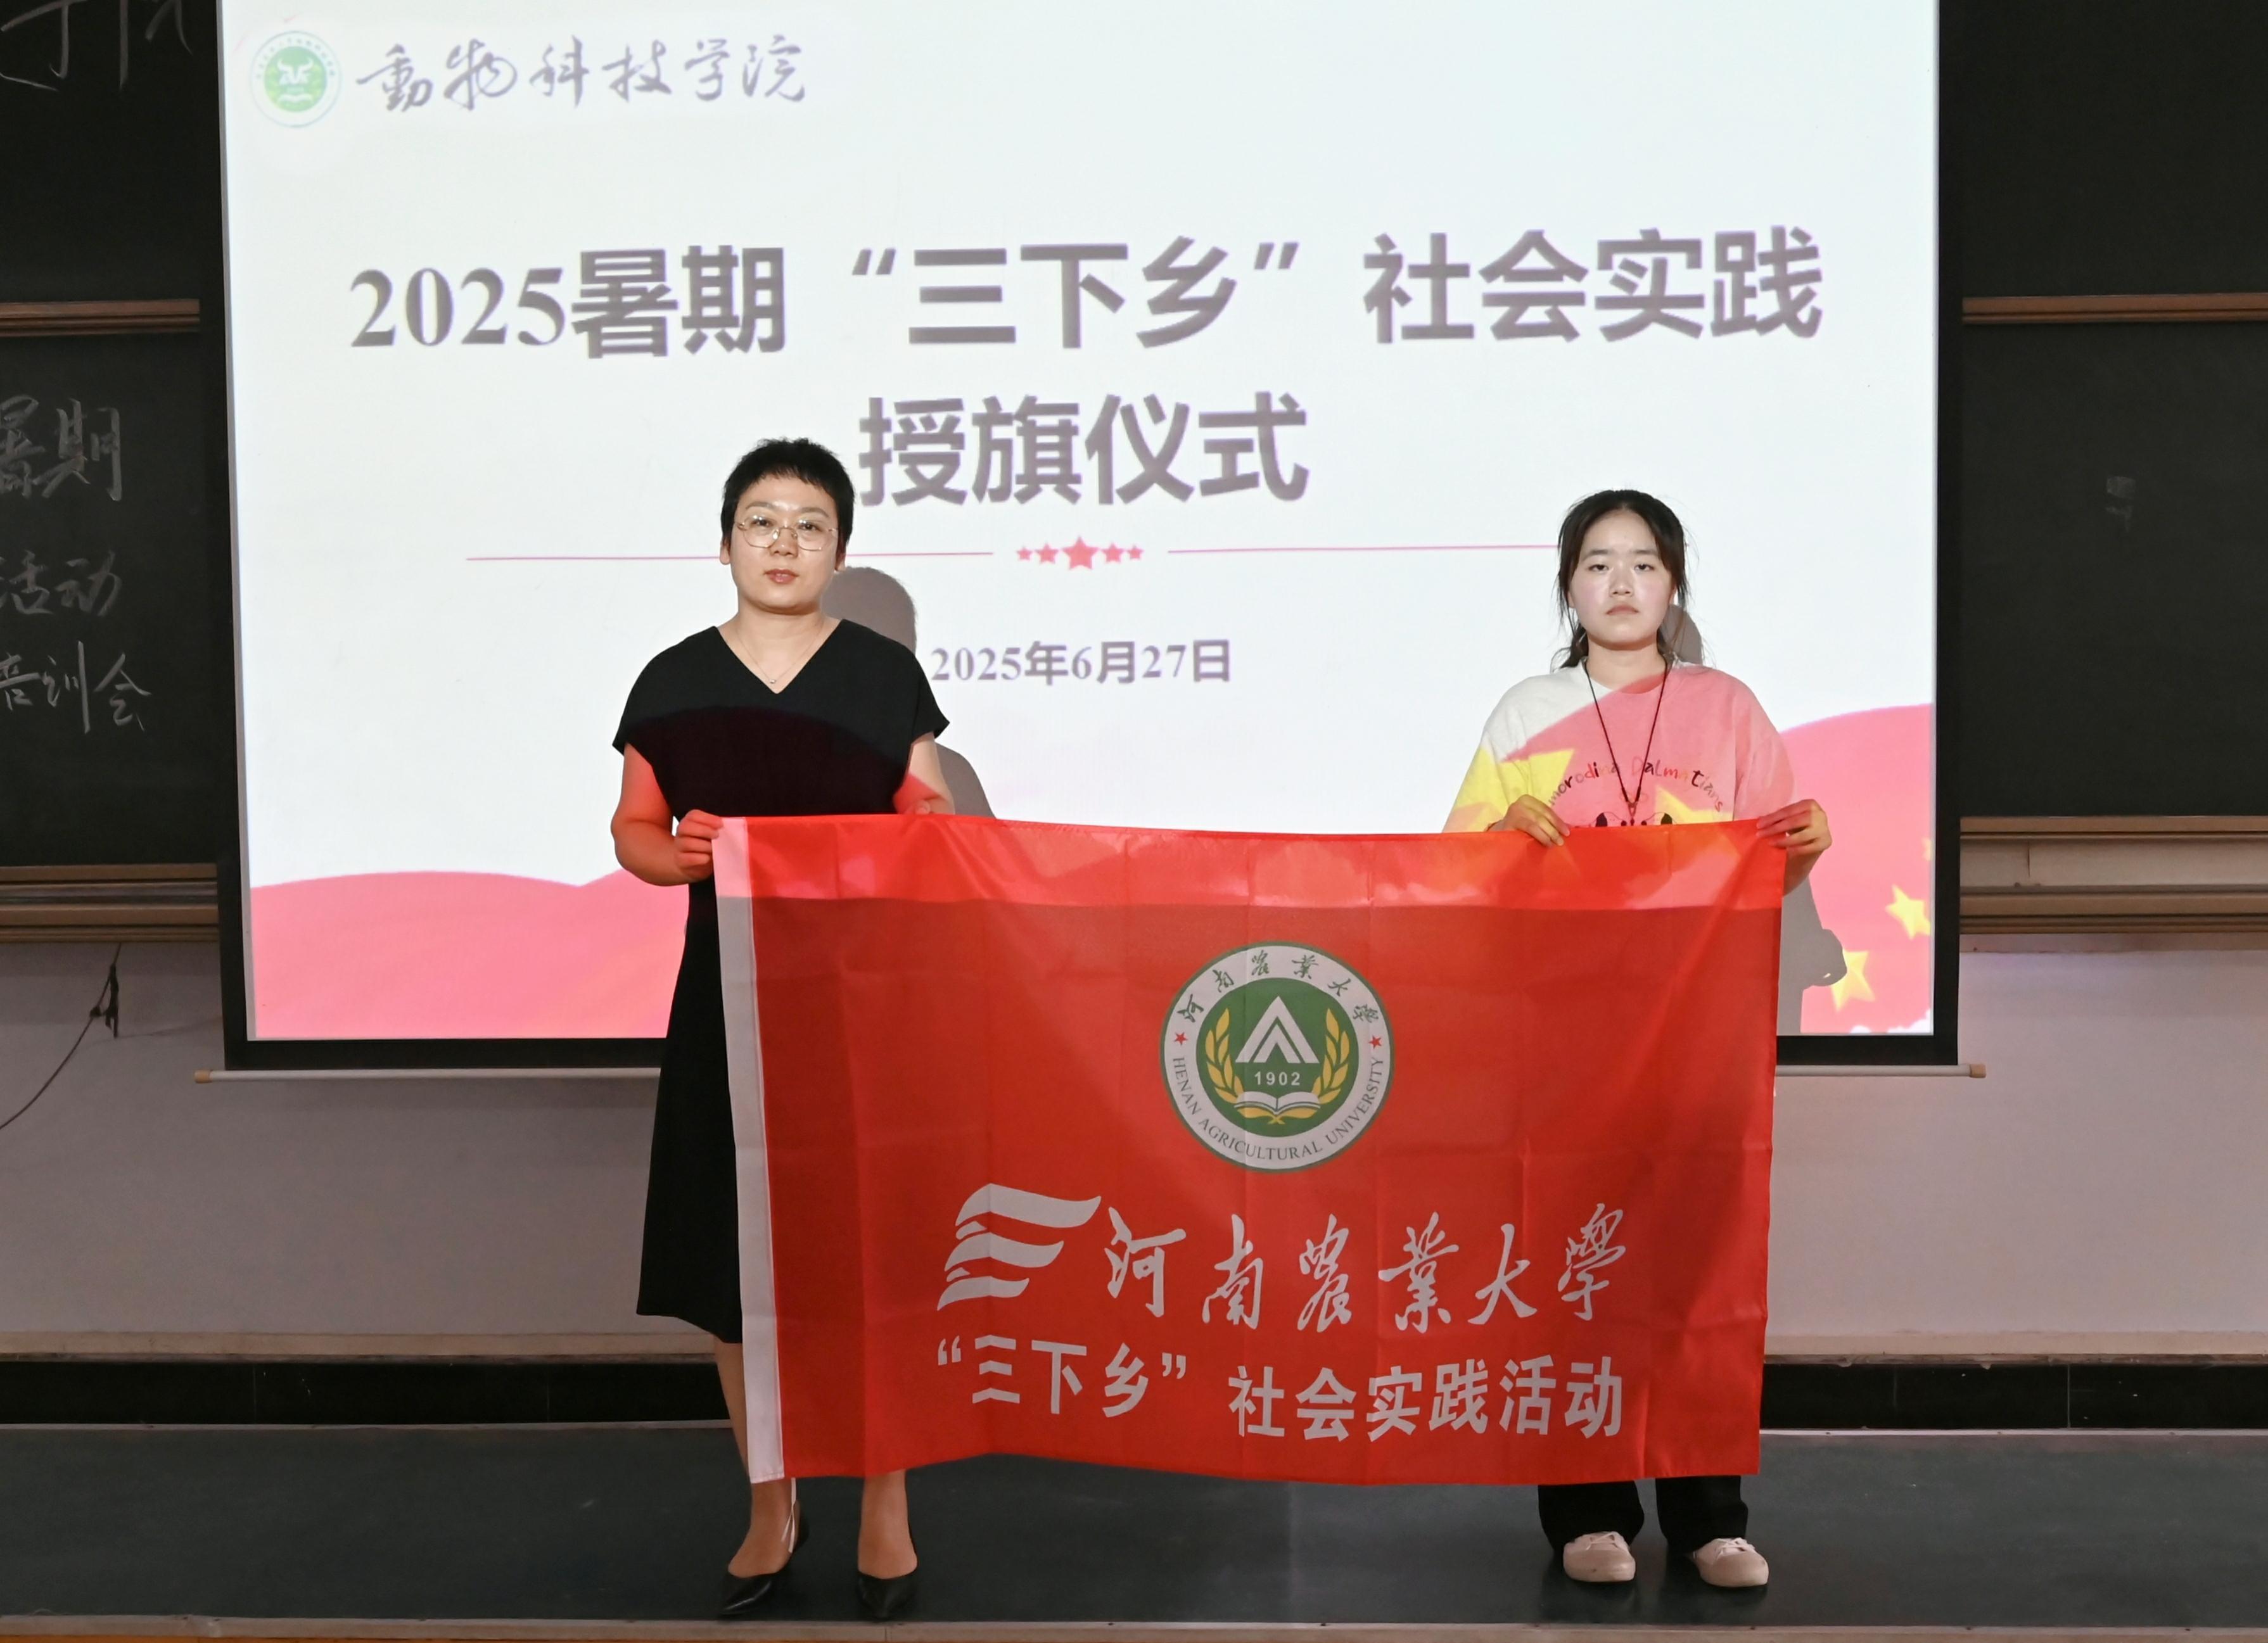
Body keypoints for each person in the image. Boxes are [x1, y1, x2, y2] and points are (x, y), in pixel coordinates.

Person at [1443, 488, 1831, 1590]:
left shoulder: (1727, 708)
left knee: (1698, 1270)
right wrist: (1502, 833)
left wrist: (1805, 843)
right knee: (1579, 1273)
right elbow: (1460, 869)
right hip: (1564, 1039)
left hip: (1698, 1030)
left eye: (1646, 562)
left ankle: (1711, 1517)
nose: (1622, 583)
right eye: (1599, 562)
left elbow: (1763, 864)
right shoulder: (1526, 712)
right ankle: (1588, 1513)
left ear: (1675, 584)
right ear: (1568, 585)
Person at [609, 438, 952, 1620]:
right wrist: (676, 856)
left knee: (871, 1260)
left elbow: (924, 806)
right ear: (725, 544)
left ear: (840, 550)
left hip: (862, 1004)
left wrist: (919, 828)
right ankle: (771, 1501)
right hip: (727, 1003)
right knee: (732, 1265)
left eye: (810, 524)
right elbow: (635, 830)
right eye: (762, 521)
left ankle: (887, 1501)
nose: (785, 543)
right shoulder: (672, 679)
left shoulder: (883, 675)